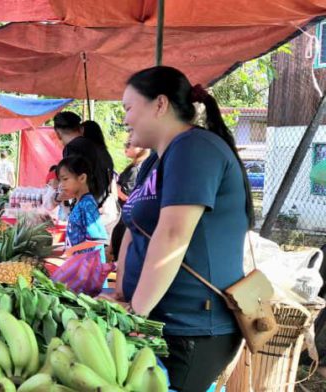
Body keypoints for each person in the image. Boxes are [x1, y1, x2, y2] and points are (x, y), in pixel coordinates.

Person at [110, 66, 253, 391]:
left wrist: (136, 313)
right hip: (161, 321)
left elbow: (173, 235)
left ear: (160, 104)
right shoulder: (156, 160)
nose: (125, 119)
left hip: (190, 327)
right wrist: (123, 287)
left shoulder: (194, 148)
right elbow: (135, 226)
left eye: (129, 108)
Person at [54, 114, 119, 240]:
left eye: (64, 179)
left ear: (58, 133)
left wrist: (56, 198)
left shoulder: (72, 148)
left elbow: (71, 187)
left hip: (90, 214)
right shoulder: (101, 149)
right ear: (81, 129)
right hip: (107, 212)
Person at [55, 156, 107, 261]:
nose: (61, 185)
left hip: (89, 267)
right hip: (80, 264)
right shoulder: (80, 202)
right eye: (60, 180)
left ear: (82, 178)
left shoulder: (87, 204)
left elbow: (98, 239)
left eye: (65, 179)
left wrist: (71, 250)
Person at [110, 137, 151, 260]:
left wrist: (115, 186)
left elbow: (127, 196)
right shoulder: (136, 167)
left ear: (141, 148)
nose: (126, 147)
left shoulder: (135, 169)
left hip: (125, 217)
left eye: (129, 144)